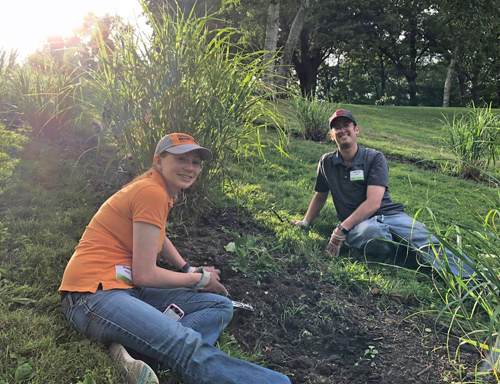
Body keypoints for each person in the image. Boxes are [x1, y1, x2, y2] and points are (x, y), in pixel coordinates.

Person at [59, 133, 291, 384]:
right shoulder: (151, 192)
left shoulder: (159, 189)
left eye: (196, 162)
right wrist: (199, 279)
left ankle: (134, 351)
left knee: (219, 306)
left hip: (126, 287)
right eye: (182, 159)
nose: (190, 168)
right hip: (91, 295)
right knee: (186, 344)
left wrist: (186, 267)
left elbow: (159, 235)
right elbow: (145, 274)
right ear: (159, 161)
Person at [292, 109, 475, 279]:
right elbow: (320, 195)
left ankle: (477, 280)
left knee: (426, 239)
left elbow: (374, 203)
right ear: (332, 136)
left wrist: (341, 230)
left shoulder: (374, 157)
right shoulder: (327, 163)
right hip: (359, 223)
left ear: (356, 130)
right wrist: (306, 221)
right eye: (336, 128)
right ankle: (402, 250)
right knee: (372, 233)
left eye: (346, 125)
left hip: (391, 215)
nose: (342, 130)